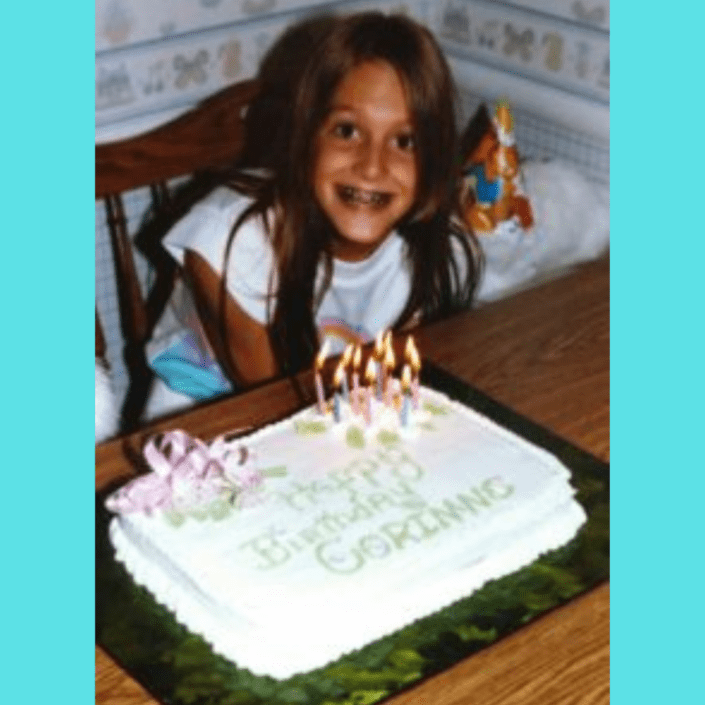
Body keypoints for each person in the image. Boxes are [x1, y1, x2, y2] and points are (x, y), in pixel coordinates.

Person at [145, 11, 481, 417]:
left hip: (343, 424)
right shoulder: (228, 243)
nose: (372, 166)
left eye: (405, 141)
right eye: (346, 131)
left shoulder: (441, 252)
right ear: (306, 137)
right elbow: (278, 413)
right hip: (201, 436)